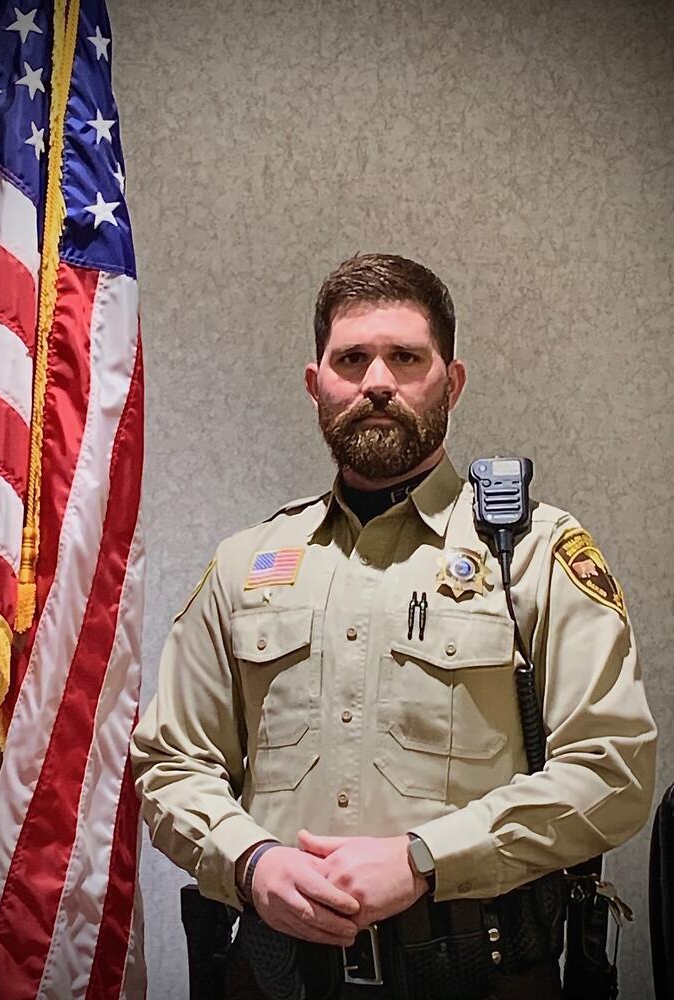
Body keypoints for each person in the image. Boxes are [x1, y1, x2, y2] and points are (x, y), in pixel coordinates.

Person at [131, 253, 657, 999]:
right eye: (351, 359)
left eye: (405, 357)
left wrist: (424, 857)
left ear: (452, 381)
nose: (377, 380)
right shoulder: (245, 564)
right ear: (317, 385)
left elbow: (613, 769)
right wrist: (251, 862)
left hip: (481, 975)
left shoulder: (534, 553)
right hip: (275, 977)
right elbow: (170, 764)